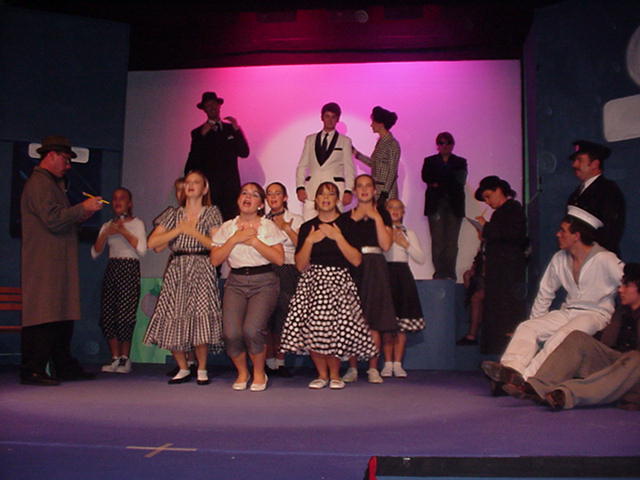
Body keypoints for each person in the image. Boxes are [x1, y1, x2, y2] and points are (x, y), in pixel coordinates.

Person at [482, 206, 623, 390]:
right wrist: (536, 321)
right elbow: (545, 293)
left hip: (595, 315)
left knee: (563, 336)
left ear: (576, 235)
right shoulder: (559, 258)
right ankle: (510, 371)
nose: (557, 234)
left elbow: (630, 283)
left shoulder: (605, 259)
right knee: (527, 327)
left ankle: (526, 379)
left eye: (563, 231)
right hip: (568, 312)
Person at [20, 135, 103, 386]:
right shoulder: (39, 184)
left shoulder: (51, 184)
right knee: (44, 314)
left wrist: (81, 213)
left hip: (55, 260)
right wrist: (83, 208)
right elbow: (53, 220)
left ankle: (62, 364)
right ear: (51, 155)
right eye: (65, 159)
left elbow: (60, 219)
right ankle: (33, 369)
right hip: (45, 262)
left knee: (60, 314)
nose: (68, 165)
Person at [503, 263, 640, 411]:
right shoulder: (620, 314)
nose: (620, 289)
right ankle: (537, 387)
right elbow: (605, 345)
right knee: (577, 337)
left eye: (626, 285)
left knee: (635, 357)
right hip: (615, 369)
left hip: (635, 373)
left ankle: (566, 395)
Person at [280, 182, 376, 390]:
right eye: (321, 194)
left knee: (334, 330)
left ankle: (335, 375)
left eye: (331, 194)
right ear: (315, 200)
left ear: (337, 199)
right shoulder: (307, 226)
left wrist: (337, 236)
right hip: (312, 282)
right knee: (314, 329)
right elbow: (300, 265)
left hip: (339, 282)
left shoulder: (348, 224)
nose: (325, 198)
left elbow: (356, 260)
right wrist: (310, 241)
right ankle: (322, 375)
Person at [144, 170, 224, 385]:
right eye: (188, 182)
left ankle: (202, 368)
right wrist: (179, 230)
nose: (191, 185)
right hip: (178, 267)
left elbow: (217, 244)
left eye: (196, 182)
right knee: (172, 314)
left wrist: (193, 231)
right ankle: (182, 367)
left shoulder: (211, 212)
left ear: (204, 189)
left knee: (200, 316)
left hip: (202, 265)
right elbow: (152, 243)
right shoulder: (173, 213)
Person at [211, 183, 285, 392]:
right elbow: (215, 260)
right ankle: (243, 372)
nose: (248, 197)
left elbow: (279, 259)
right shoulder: (228, 227)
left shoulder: (268, 226)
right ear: (238, 199)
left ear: (261, 204)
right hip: (236, 281)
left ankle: (259, 373)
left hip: (264, 281)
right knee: (231, 333)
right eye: (244, 193)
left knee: (252, 330)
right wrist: (235, 239)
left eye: (254, 195)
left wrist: (254, 242)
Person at [459, 176, 527, 354]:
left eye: (489, 196)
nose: (488, 202)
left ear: (499, 190)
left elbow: (512, 235)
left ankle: (502, 351)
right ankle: (495, 350)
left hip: (507, 271)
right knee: (495, 309)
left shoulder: (513, 209)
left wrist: (486, 228)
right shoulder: (503, 212)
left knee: (504, 311)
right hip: (499, 270)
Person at [342, 174, 396, 384]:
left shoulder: (383, 214)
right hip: (353, 265)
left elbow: (386, 245)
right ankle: (352, 367)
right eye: (360, 186)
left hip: (375, 266)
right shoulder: (346, 217)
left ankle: (373, 368)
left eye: (368, 186)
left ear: (374, 190)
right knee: (352, 318)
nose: (364, 190)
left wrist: (376, 218)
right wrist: (354, 220)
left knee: (374, 318)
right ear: (355, 191)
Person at [91, 188, 147, 374]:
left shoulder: (137, 223)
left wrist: (123, 231)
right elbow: (95, 252)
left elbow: (142, 250)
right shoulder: (108, 225)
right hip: (112, 267)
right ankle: (115, 358)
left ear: (129, 203)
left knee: (125, 315)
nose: (117, 201)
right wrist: (105, 233)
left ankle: (125, 358)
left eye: (122, 198)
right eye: (114, 198)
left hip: (129, 268)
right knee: (108, 315)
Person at [183, 91, 250, 221]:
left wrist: (237, 130)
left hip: (230, 187)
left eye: (214, 104)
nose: (212, 108)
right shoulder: (198, 133)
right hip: (210, 189)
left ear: (219, 106)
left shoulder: (230, 128)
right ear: (204, 110)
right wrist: (201, 137)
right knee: (211, 222)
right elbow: (192, 163)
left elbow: (244, 152)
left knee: (231, 221)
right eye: (208, 106)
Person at [382, 199, 426, 377]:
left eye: (398, 208)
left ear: (403, 212)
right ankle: (387, 363)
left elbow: (421, 258)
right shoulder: (381, 230)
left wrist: (405, 244)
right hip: (385, 274)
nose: (395, 211)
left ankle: (398, 363)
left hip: (403, 276)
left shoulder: (409, 233)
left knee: (402, 325)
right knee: (387, 324)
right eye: (391, 208)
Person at [264, 182, 303, 377]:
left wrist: (287, 229)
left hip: (288, 269)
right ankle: (267, 361)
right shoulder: (261, 220)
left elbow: (303, 246)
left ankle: (280, 362)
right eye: (269, 194)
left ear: (285, 197)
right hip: (265, 269)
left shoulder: (296, 219)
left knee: (283, 316)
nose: (273, 197)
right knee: (266, 317)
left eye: (277, 193)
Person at [296, 102, 356, 221]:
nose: (330, 120)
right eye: (327, 116)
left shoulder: (345, 141)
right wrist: (300, 187)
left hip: (335, 193)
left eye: (333, 117)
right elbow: (302, 165)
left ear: (337, 119)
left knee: (335, 226)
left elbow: (349, 168)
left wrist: (349, 190)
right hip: (312, 191)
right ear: (322, 117)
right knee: (308, 225)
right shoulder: (310, 139)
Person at [421, 132, 468, 280]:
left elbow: (460, 180)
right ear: (437, 145)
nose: (445, 146)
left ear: (452, 145)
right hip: (436, 205)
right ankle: (439, 274)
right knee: (437, 241)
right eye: (441, 143)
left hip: (454, 205)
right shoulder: (429, 161)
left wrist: (438, 182)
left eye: (448, 143)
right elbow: (426, 177)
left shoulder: (460, 161)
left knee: (451, 242)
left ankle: (450, 273)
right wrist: (446, 178)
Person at [567, 140, 625, 255]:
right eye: (574, 160)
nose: (574, 165)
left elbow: (610, 232)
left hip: (600, 257)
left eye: (579, 160)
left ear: (595, 164)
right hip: (579, 257)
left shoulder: (608, 190)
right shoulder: (575, 194)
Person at [353, 106, 400, 204]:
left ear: (381, 124)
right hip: (377, 191)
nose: (371, 125)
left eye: (373, 122)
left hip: (387, 193)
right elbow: (374, 163)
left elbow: (392, 171)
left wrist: (384, 193)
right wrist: (356, 154)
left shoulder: (392, 144)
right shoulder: (381, 142)